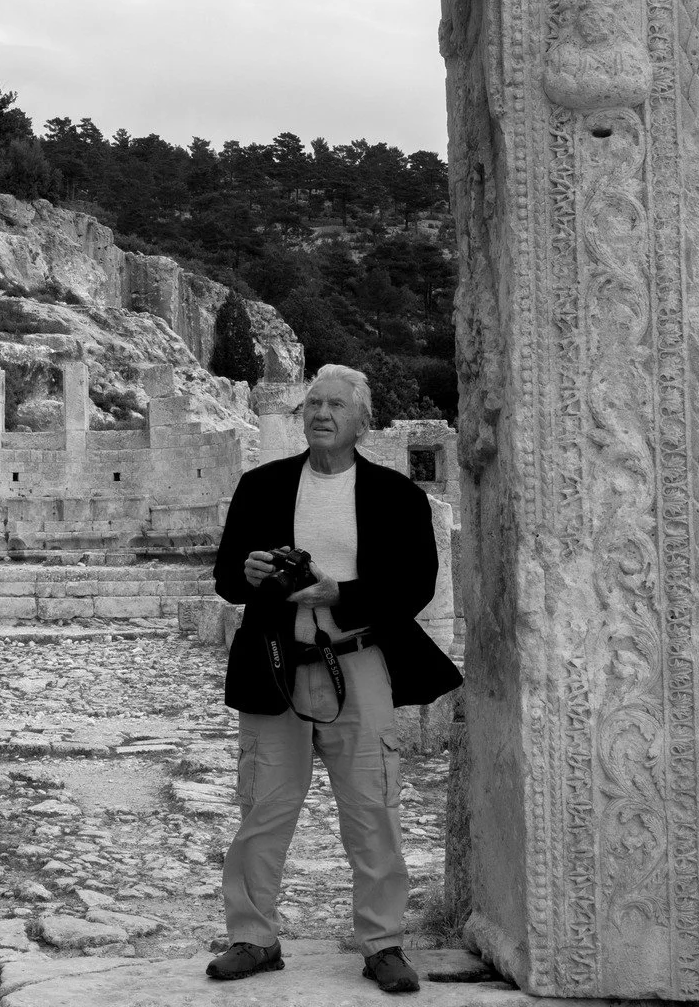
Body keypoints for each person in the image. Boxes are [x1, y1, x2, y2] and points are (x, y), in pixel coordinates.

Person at [206, 365, 462, 994]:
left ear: (362, 421)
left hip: (359, 659)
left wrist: (339, 594)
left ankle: (382, 941)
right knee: (264, 804)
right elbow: (227, 579)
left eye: (335, 406)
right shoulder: (261, 486)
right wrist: (250, 573)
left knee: (373, 804)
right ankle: (253, 937)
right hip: (275, 663)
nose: (321, 414)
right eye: (313, 404)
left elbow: (415, 586)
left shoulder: (396, 495)